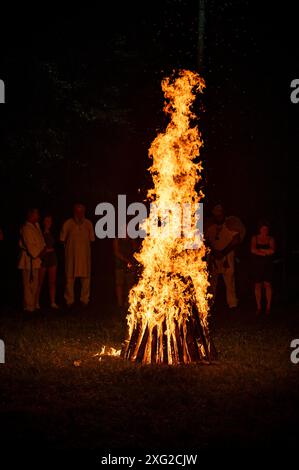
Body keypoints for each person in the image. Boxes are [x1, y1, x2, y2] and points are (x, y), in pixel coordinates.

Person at [206, 204, 245, 310]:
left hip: (227, 257)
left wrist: (223, 252)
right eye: (215, 212)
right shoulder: (209, 226)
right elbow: (206, 240)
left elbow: (236, 240)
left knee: (229, 281)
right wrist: (214, 252)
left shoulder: (231, 224)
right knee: (211, 282)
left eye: (219, 212)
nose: (218, 215)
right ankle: (209, 304)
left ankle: (232, 304)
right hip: (214, 257)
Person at [60, 203, 95, 307]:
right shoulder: (68, 223)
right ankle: (69, 300)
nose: (79, 214)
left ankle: (85, 300)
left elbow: (92, 239)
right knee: (70, 279)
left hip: (84, 257)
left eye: (81, 212)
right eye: (77, 211)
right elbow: (62, 239)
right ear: (74, 212)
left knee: (86, 279)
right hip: (71, 257)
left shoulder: (88, 224)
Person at [18, 208, 48, 312]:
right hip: (28, 260)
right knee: (28, 284)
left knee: (35, 283)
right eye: (37, 214)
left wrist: (44, 250)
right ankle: (28, 307)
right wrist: (40, 253)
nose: (38, 216)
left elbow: (42, 242)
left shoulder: (37, 226)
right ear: (31, 215)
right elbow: (31, 248)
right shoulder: (26, 228)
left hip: (37, 259)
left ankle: (34, 305)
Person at [251, 220, 275, 315]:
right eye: (263, 229)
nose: (265, 231)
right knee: (257, 285)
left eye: (266, 229)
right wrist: (265, 252)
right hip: (257, 265)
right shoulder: (255, 238)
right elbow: (253, 250)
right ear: (260, 229)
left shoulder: (271, 239)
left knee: (267, 285)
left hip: (267, 265)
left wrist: (260, 251)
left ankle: (268, 306)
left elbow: (272, 250)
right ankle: (259, 307)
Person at [36, 214, 59, 309]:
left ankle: (52, 302)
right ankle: (36, 302)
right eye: (47, 221)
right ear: (43, 222)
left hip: (52, 257)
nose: (49, 223)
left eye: (50, 221)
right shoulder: (39, 232)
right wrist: (46, 250)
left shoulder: (53, 232)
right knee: (39, 282)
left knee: (52, 282)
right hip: (43, 258)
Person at [113, 228, 138, 310]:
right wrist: (125, 260)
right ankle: (120, 304)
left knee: (130, 284)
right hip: (120, 264)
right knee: (119, 284)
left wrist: (131, 261)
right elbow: (116, 252)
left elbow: (135, 249)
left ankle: (128, 302)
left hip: (129, 264)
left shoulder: (131, 238)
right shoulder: (117, 238)